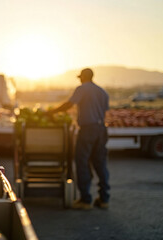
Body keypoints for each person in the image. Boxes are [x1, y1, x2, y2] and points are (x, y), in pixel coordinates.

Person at [47, 68, 110, 210]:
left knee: (82, 162)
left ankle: (85, 200)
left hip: (88, 130)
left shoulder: (82, 89)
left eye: (80, 77)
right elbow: (104, 110)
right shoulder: (102, 92)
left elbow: (70, 104)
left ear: (84, 77)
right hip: (101, 130)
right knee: (100, 163)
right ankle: (104, 199)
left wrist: (52, 112)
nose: (80, 79)